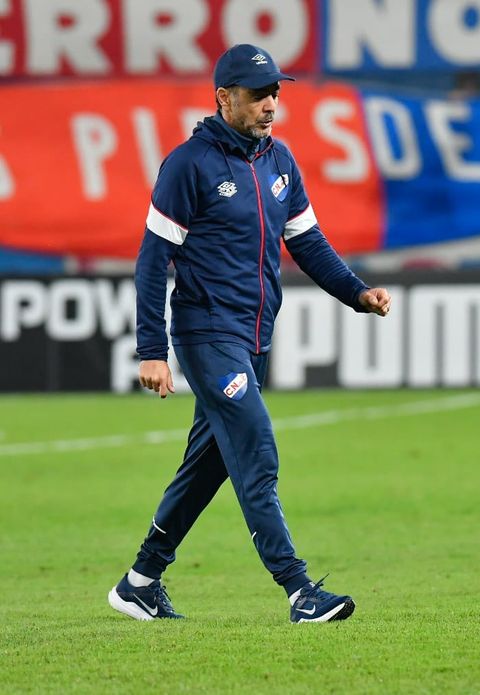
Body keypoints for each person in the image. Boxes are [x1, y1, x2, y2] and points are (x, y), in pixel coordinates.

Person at [107, 44, 391, 624]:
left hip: (253, 337)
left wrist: (356, 293)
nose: (270, 104)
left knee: (207, 467)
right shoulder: (188, 165)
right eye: (258, 95)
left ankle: (140, 580)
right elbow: (150, 260)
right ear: (224, 98)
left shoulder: (279, 160)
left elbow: (307, 242)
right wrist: (152, 350)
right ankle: (299, 590)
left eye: (275, 93)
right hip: (207, 333)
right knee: (256, 448)